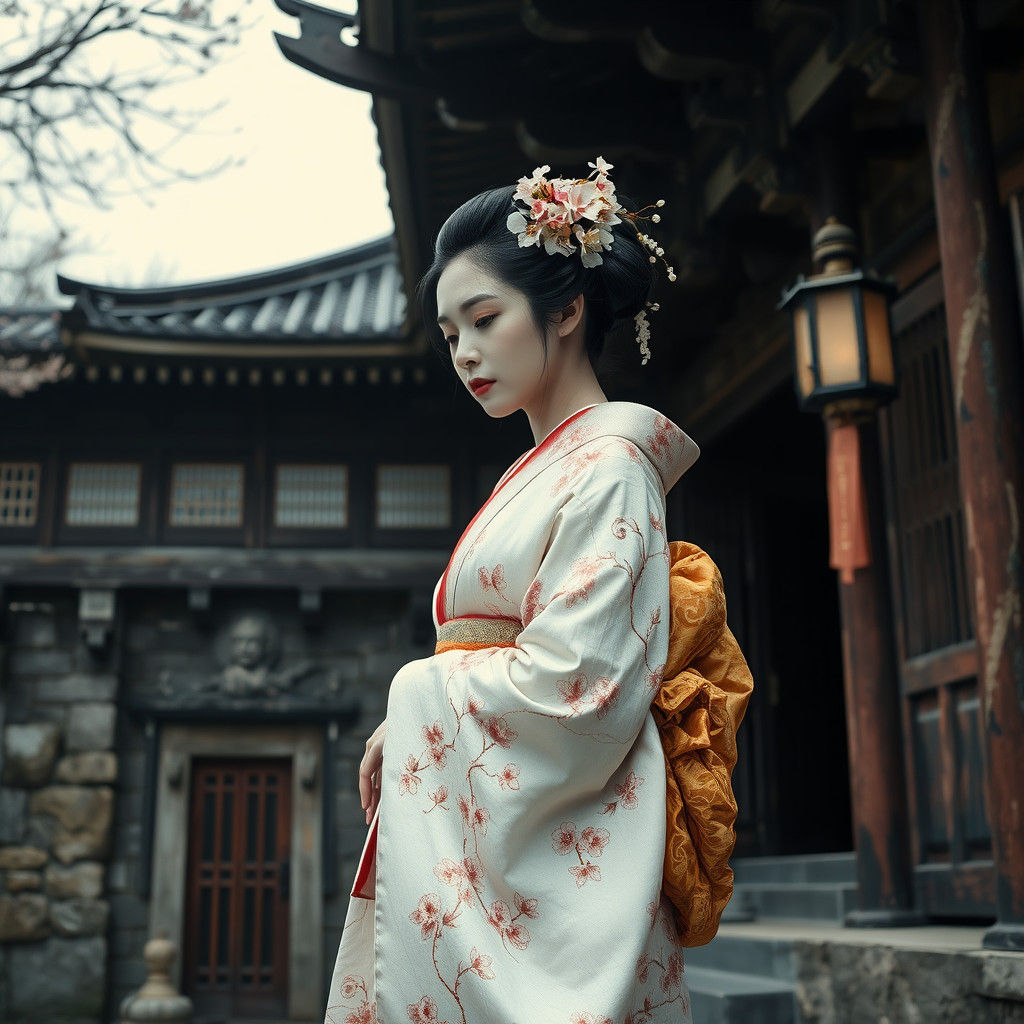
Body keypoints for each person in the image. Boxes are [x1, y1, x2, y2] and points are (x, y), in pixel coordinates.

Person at [325, 159, 708, 1024]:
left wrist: (419, 693)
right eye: (449, 333)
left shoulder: (609, 468)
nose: (464, 352)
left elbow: (579, 685)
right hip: (502, 814)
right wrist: (417, 714)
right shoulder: (537, 471)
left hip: (570, 830)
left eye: (484, 318)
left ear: (566, 310)